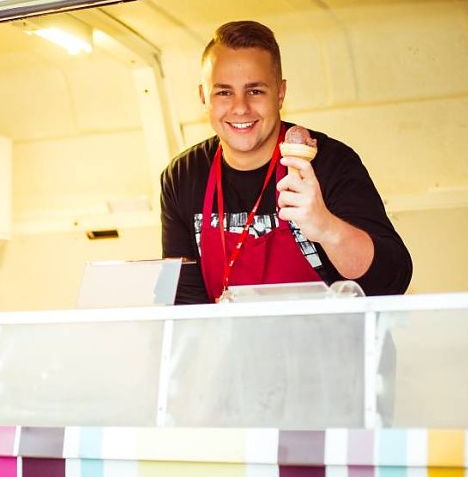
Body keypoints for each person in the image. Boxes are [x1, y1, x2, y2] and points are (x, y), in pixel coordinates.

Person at [161, 21, 412, 304]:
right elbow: (183, 300)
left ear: (280, 94)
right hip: (243, 347)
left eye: (255, 91)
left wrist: (326, 227)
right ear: (203, 97)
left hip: (334, 346)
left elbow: (391, 282)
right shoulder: (183, 176)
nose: (240, 107)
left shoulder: (329, 163)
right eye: (224, 92)